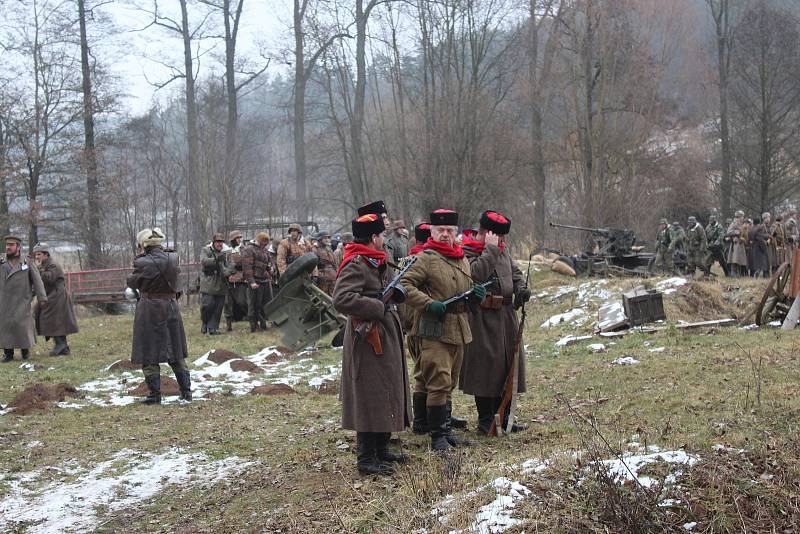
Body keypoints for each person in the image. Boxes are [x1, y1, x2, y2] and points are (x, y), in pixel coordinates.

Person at [400, 209, 486, 451]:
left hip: (458, 327)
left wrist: (476, 296)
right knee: (438, 382)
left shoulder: (461, 259)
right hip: (433, 329)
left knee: (449, 382)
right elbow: (404, 286)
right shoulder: (425, 258)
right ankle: (437, 436)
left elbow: (466, 288)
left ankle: (446, 432)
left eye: (450, 230)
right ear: (433, 232)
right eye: (441, 231)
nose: (446, 235)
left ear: (456, 232)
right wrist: (428, 304)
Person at [332, 213, 410, 476]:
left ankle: (381, 449)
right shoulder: (356, 262)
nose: (384, 239)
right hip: (365, 338)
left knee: (386, 389)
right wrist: (377, 305)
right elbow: (341, 299)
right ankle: (366, 457)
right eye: (382, 235)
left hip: (385, 333)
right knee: (369, 394)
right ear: (374, 237)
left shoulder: (377, 259)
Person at [460, 211, 530, 435]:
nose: (503, 242)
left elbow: (514, 271)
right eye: (499, 237)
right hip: (482, 317)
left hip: (506, 315)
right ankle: (486, 419)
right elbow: (475, 275)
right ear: (487, 234)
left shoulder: (501, 250)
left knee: (508, 365)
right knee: (486, 368)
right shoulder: (468, 250)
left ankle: (505, 416)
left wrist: (520, 288)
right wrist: (489, 250)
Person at [126, 228, 191, 404]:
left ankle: (155, 395)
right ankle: (186, 392)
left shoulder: (142, 263)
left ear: (144, 245)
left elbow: (132, 282)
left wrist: (137, 261)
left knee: (149, 351)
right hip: (170, 306)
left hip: (150, 309)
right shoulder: (173, 258)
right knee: (175, 350)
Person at [0, 235, 47, 362]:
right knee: (6, 327)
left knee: (23, 327)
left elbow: (37, 280)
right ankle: (8, 354)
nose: (8, 247)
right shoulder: (1, 261)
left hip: (22, 300)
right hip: (4, 301)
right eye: (7, 245)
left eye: (11, 245)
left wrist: (42, 297)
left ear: (18, 247)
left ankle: (25, 353)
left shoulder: (27, 261)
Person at [33, 243, 79, 356]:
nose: (36, 257)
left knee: (52, 320)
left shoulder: (53, 265)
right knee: (55, 321)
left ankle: (60, 345)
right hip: (52, 296)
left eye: (38, 254)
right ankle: (63, 347)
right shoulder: (45, 264)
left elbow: (49, 279)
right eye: (35, 255)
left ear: (45, 254)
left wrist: (36, 270)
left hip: (57, 296)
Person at [241, 232, 275, 332]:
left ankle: (263, 324)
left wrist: (272, 268)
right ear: (259, 241)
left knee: (265, 303)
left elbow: (270, 261)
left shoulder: (264, 250)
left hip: (265, 280)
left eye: (266, 243)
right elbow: (247, 267)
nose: (265, 245)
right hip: (255, 281)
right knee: (253, 304)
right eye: (264, 243)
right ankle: (253, 325)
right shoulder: (249, 249)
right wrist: (251, 281)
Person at [199, 233, 228, 335]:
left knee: (218, 306)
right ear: (214, 242)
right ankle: (205, 322)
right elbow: (204, 261)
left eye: (221, 242)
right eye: (218, 242)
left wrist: (229, 271)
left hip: (221, 282)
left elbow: (230, 264)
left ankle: (213, 328)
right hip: (208, 282)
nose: (220, 244)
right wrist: (216, 260)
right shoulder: (206, 250)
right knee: (208, 304)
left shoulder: (226, 252)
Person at [223, 230, 248, 331]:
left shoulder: (244, 250)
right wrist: (228, 274)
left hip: (241, 280)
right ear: (232, 240)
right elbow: (223, 265)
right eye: (236, 238)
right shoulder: (226, 251)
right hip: (228, 280)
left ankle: (253, 320)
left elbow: (246, 264)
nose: (238, 240)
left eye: (239, 238)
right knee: (227, 304)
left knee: (242, 302)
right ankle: (229, 326)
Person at [312, 230, 338, 295]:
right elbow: (313, 265)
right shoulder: (315, 249)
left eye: (328, 238)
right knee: (323, 296)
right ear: (320, 239)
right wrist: (315, 276)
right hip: (323, 277)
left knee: (333, 296)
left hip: (332, 276)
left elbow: (335, 263)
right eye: (325, 238)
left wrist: (337, 273)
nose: (327, 240)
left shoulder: (329, 249)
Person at [726, 210, 748, 277]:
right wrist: (736, 232)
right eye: (742, 216)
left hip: (740, 243)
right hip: (735, 244)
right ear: (739, 216)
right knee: (734, 259)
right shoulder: (734, 223)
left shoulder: (741, 224)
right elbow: (728, 232)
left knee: (739, 259)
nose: (743, 218)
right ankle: (733, 273)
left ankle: (738, 273)